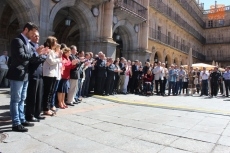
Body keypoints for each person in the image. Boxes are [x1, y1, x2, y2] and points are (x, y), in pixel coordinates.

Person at [6, 22, 46, 132]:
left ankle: (22, 119)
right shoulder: (17, 41)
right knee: (16, 99)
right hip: (17, 74)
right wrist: (36, 53)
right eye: (32, 32)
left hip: (25, 74)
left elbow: (31, 59)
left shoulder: (27, 43)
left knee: (22, 98)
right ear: (26, 30)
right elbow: (21, 57)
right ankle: (16, 123)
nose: (33, 35)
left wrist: (39, 54)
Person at [25, 31, 46, 122]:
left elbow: (42, 58)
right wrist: (41, 56)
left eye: (38, 36)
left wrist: (42, 56)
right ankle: (30, 115)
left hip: (39, 73)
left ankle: (37, 113)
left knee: (39, 95)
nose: (37, 37)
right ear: (31, 36)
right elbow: (32, 60)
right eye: (35, 36)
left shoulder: (38, 47)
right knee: (32, 96)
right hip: (32, 73)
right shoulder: (29, 46)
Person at [42, 36, 62, 116]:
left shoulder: (53, 52)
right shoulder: (49, 51)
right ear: (51, 43)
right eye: (55, 42)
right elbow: (50, 61)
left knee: (51, 92)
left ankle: (49, 107)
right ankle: (45, 109)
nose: (56, 43)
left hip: (53, 74)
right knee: (47, 92)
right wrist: (59, 59)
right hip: (48, 73)